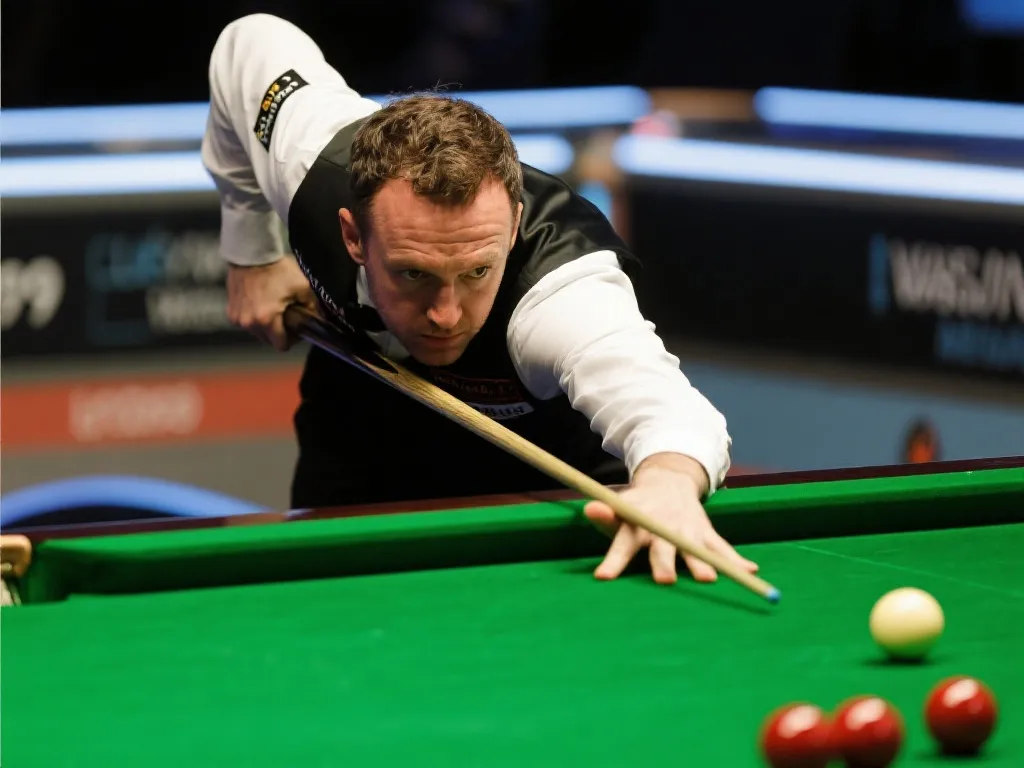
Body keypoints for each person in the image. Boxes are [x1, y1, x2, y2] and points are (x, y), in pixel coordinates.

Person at [201, 13, 758, 586]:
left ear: (513, 228)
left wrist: (667, 482)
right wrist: (251, 254)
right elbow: (250, 41)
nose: (445, 314)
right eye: (413, 273)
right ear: (353, 236)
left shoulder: (561, 297)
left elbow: (666, 410)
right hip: (362, 413)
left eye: (476, 272)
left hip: (547, 472)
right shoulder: (310, 163)